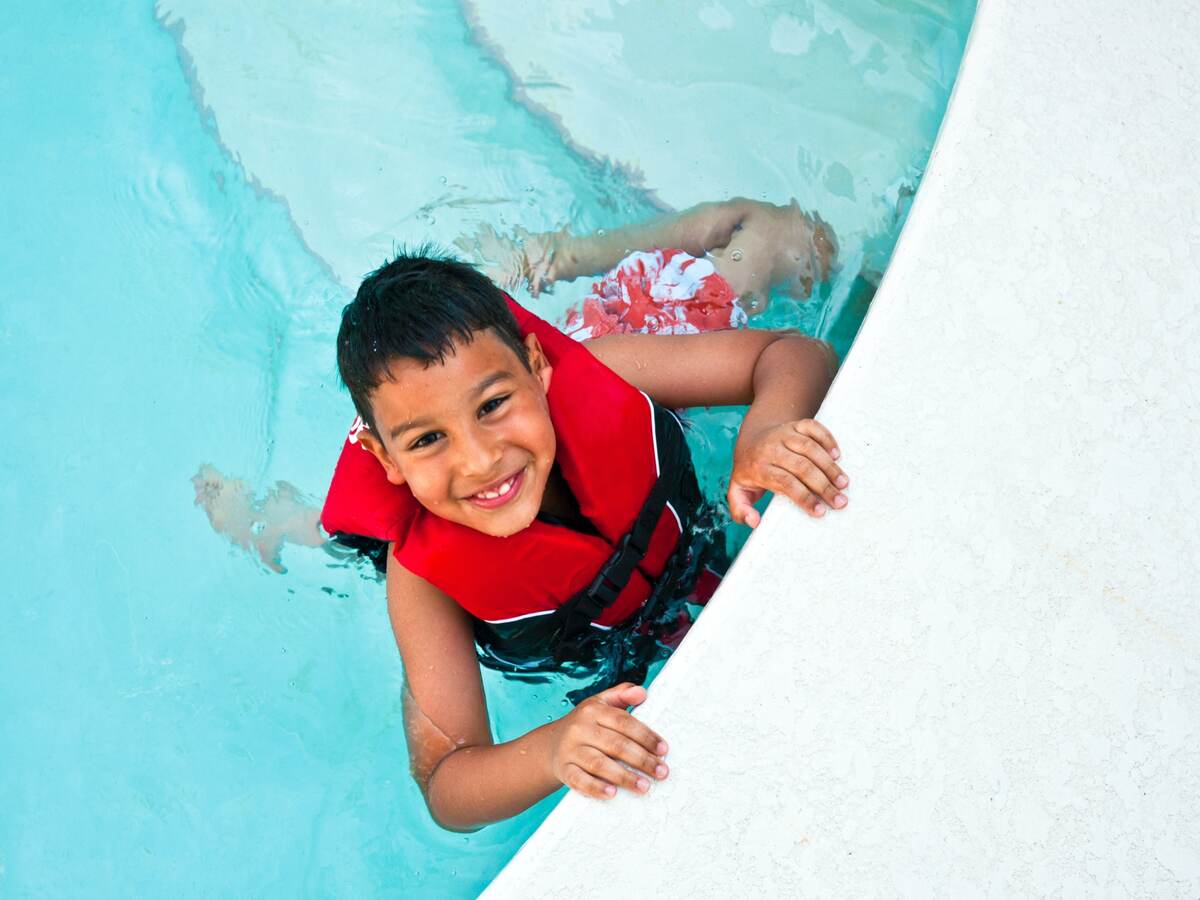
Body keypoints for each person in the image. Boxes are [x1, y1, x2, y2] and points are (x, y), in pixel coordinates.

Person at [195, 245, 849, 831]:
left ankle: (570, 254)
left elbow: (793, 353)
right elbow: (447, 783)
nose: (481, 460)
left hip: (664, 561)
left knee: (772, 244)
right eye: (427, 440)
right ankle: (279, 519)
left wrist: (768, 427)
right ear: (384, 458)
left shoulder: (608, 372)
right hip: (560, 627)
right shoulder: (420, 580)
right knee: (340, 544)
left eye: (492, 406)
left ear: (537, 366)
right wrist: (554, 748)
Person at [454, 196, 838, 336]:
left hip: (597, 346)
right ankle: (560, 255)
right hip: (640, 337)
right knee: (774, 230)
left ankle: (559, 255)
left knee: (770, 229)